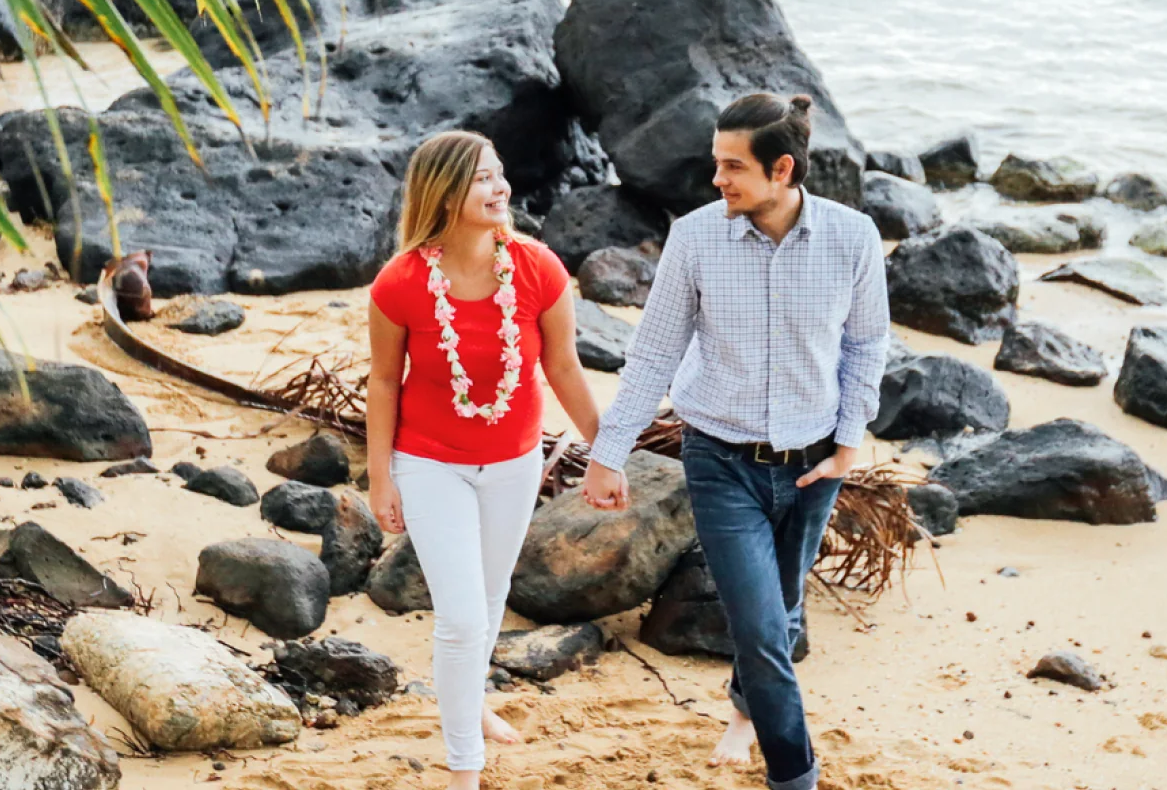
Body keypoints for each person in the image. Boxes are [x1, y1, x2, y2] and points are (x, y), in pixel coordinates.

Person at [579, 93, 889, 790]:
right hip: (721, 460)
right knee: (758, 629)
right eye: (715, 163)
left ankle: (745, 710)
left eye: (731, 166)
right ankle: (796, 777)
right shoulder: (695, 238)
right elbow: (654, 354)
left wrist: (848, 444)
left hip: (815, 465)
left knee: (781, 612)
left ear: (782, 170)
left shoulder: (853, 238)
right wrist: (607, 453)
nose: (716, 179)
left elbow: (867, 344)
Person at [365, 131, 606, 789]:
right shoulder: (402, 282)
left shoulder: (537, 268)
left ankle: (469, 702)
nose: (500, 188)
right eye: (481, 179)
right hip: (428, 462)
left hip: (513, 462)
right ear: (443, 192)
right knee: (464, 616)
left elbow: (562, 367)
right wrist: (380, 476)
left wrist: (608, 452)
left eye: (500, 174)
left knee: (492, 596)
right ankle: (465, 769)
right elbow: (384, 381)